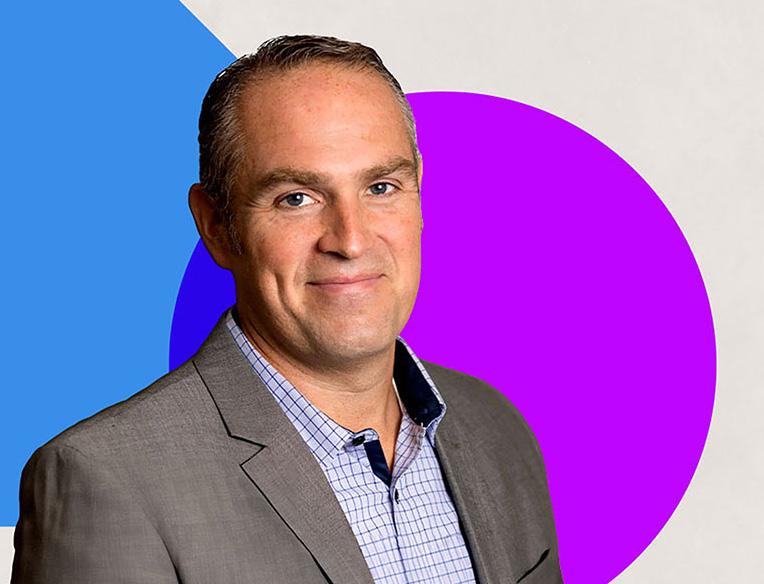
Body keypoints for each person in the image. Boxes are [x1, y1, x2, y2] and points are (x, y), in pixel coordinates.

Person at [11, 35, 562, 583]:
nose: (350, 240)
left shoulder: (496, 427)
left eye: (381, 187)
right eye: (296, 198)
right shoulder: (107, 481)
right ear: (216, 226)